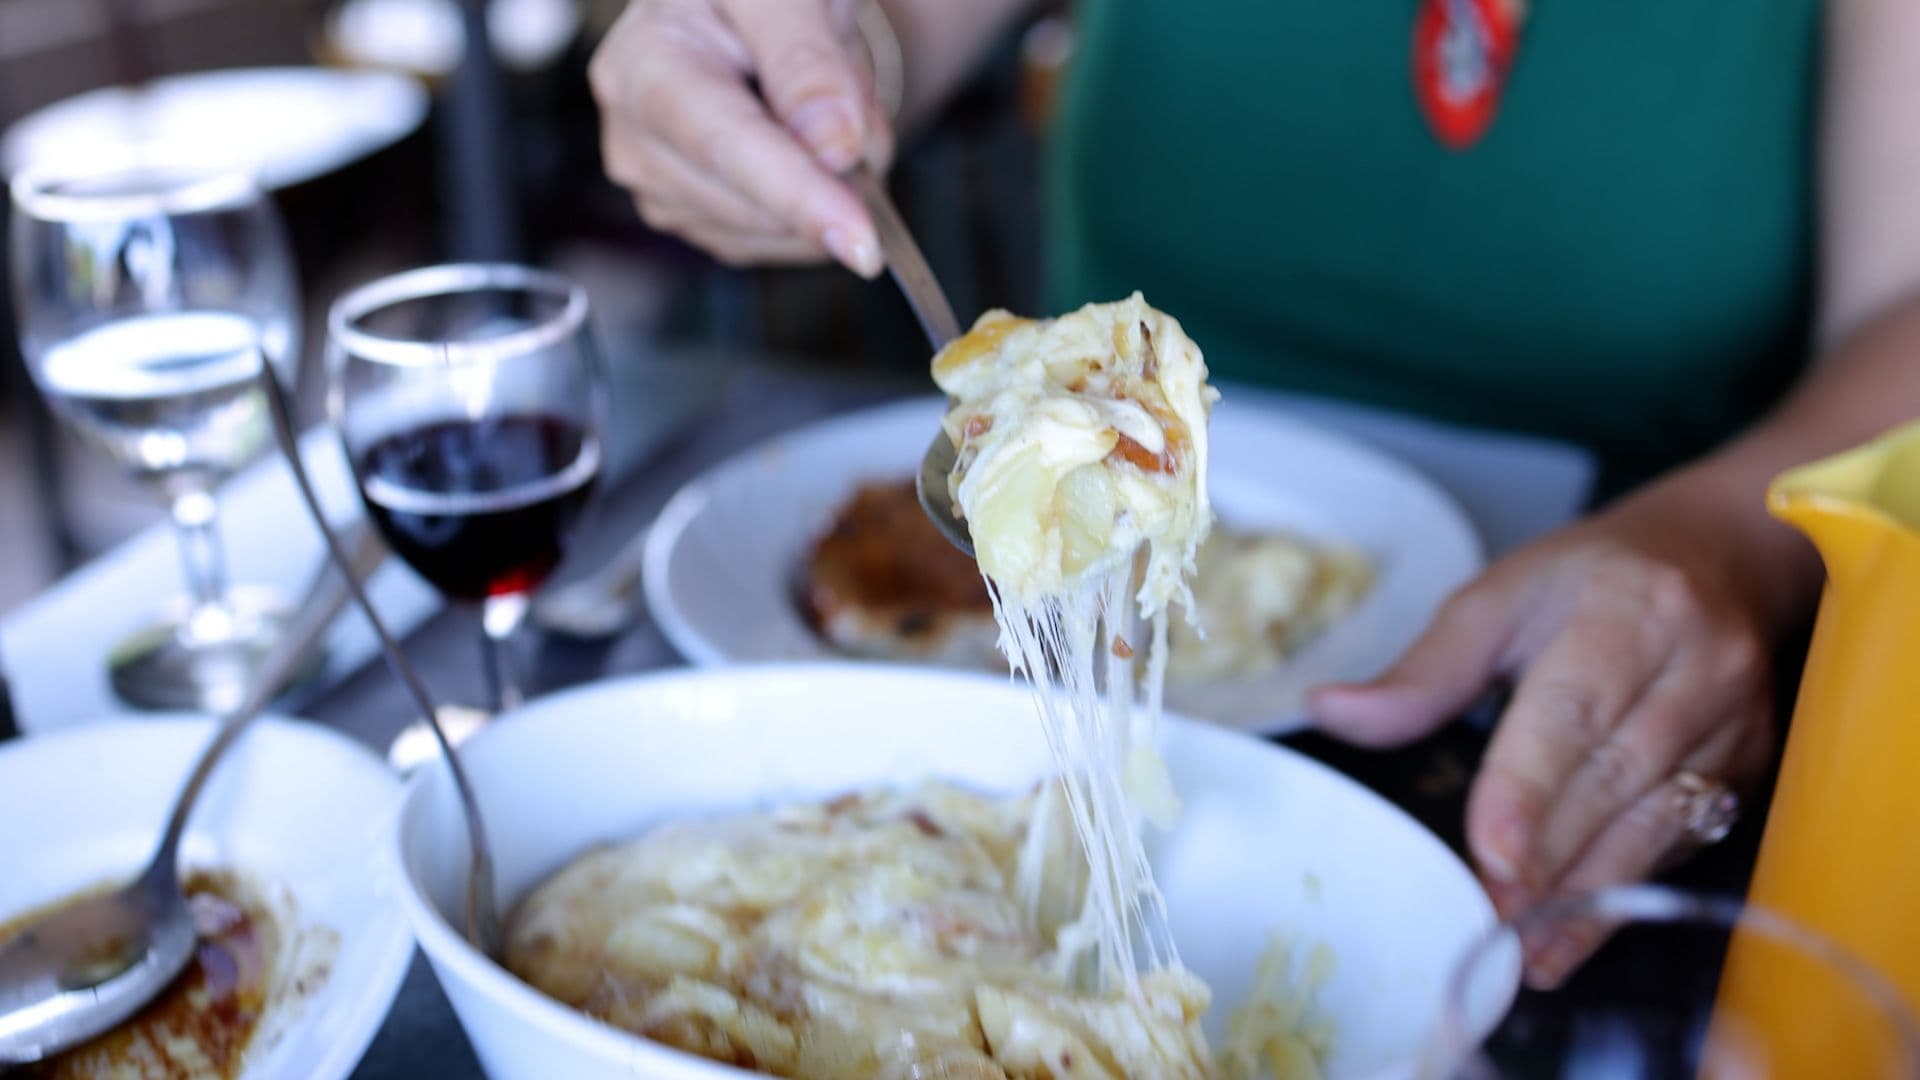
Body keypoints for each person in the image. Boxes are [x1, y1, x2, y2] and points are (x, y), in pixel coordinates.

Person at [588, 0, 1920, 985]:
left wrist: (1729, 538)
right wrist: (789, 64)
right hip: (1069, 667)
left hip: (1609, 688)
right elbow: (862, 28)